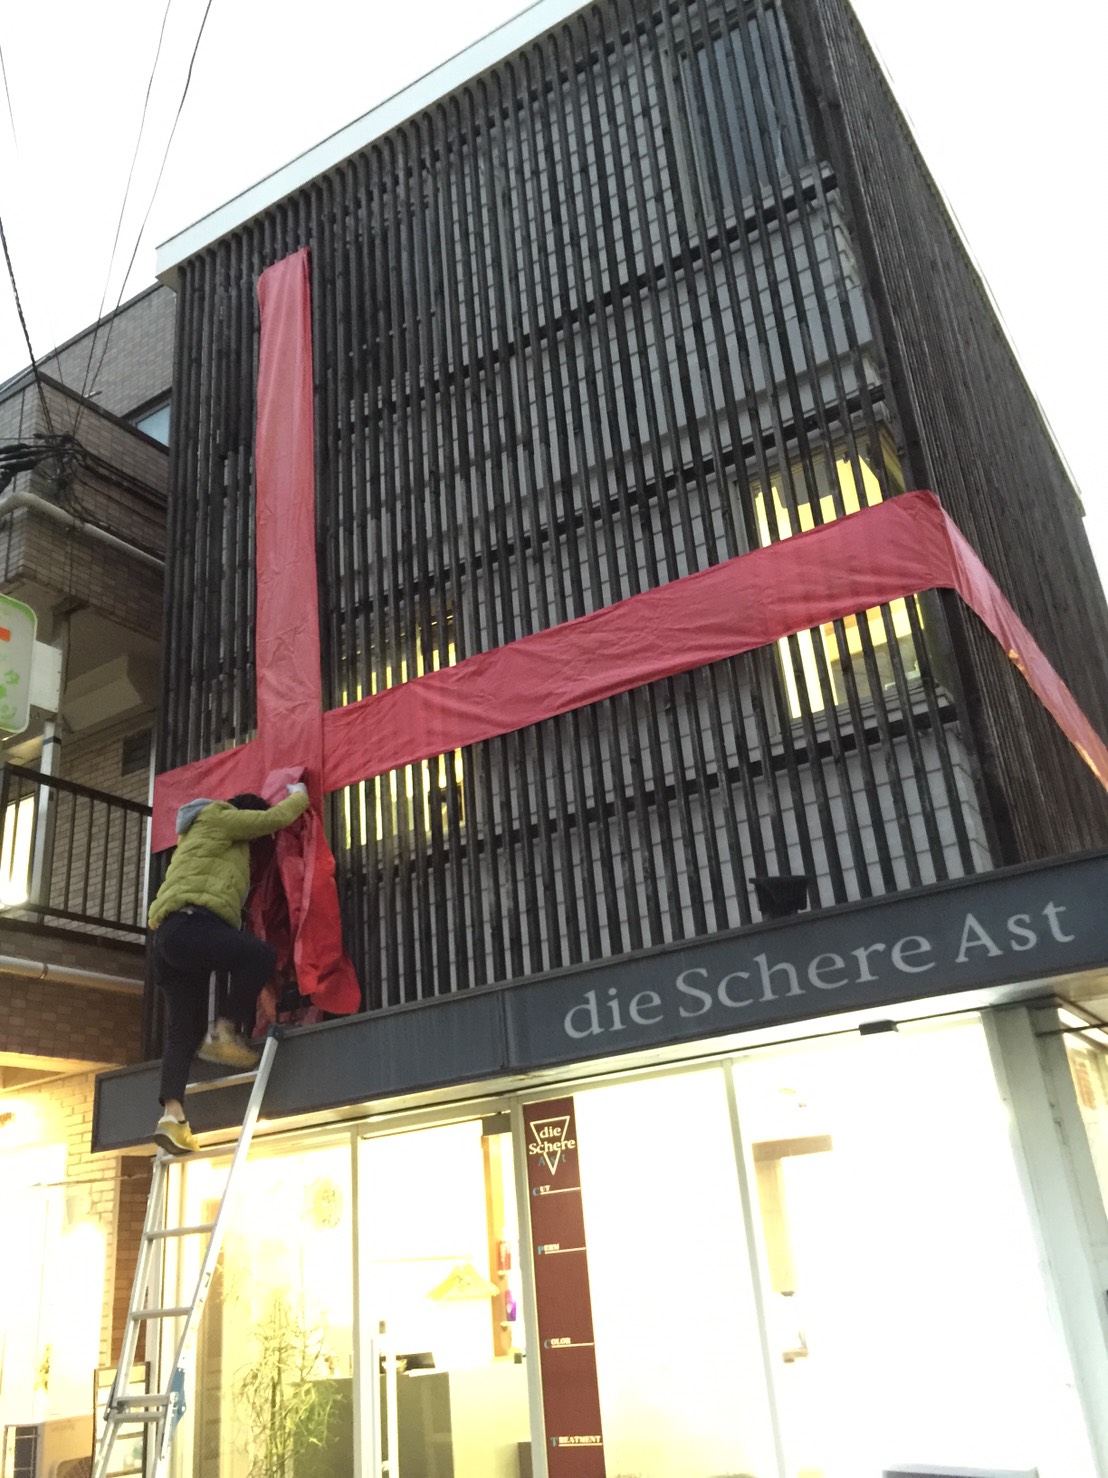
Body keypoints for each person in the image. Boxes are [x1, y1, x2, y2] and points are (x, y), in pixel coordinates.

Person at [148, 782, 311, 1155]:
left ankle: (173, 1117)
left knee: (183, 1030)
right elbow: (273, 818)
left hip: (168, 938)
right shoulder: (219, 816)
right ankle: (225, 1030)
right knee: (259, 955)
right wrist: (299, 794)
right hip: (192, 923)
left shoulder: (197, 836)